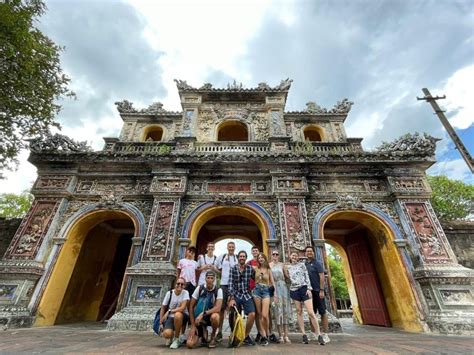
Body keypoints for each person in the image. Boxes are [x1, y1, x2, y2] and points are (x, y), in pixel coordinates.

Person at [284, 251, 324, 345]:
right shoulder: (287, 267)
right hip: (294, 290)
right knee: (299, 311)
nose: (294, 256)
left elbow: (307, 276)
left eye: (295, 255)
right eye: (292, 255)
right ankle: (303, 334)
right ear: (289, 257)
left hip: (304, 288)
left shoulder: (302, 265)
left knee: (310, 312)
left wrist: (309, 288)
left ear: (298, 258)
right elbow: (287, 278)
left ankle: (319, 335)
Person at [228, 250, 256, 346]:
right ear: (238, 258)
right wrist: (231, 298)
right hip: (236, 294)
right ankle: (234, 334)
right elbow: (230, 283)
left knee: (252, 314)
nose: (242, 258)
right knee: (232, 312)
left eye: (244, 256)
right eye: (240, 256)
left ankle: (245, 335)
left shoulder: (250, 268)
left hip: (247, 295)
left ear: (246, 258)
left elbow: (257, 278)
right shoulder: (233, 268)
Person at [188, 271, 223, 349]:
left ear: (214, 279)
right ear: (205, 279)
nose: (210, 280)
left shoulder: (218, 290)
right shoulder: (199, 288)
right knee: (190, 344)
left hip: (209, 317)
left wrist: (203, 313)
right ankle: (203, 332)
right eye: (208, 278)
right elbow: (191, 306)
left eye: (211, 278)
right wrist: (193, 326)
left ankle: (213, 336)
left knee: (215, 317)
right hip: (199, 319)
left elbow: (218, 308)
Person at [305, 245, 331, 343]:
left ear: (313, 252)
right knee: (311, 312)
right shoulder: (305, 264)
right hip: (309, 291)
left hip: (317, 291)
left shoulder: (318, 263)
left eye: (310, 251)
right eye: (307, 251)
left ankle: (325, 334)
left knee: (322, 312)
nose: (309, 253)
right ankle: (313, 333)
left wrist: (321, 290)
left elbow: (322, 276)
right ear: (305, 253)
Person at [251, 252, 276, 346]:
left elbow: (272, 283)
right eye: (259, 258)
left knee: (265, 315)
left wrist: (275, 295)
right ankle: (264, 336)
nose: (261, 259)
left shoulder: (268, 270)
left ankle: (267, 333)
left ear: (265, 259)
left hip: (266, 291)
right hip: (256, 291)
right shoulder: (255, 268)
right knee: (259, 314)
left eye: (262, 257)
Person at [215, 241, 237, 342]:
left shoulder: (236, 258)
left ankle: (233, 332)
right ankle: (219, 332)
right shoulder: (222, 256)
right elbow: (216, 266)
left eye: (233, 247)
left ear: (235, 248)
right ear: (227, 247)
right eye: (230, 247)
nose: (231, 248)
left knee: (233, 309)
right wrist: (221, 273)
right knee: (221, 309)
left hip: (234, 285)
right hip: (223, 284)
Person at [160, 277, 190, 349]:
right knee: (167, 334)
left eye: (182, 284)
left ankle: (176, 339)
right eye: (178, 283)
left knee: (178, 315)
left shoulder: (185, 293)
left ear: (184, 286)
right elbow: (163, 307)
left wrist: (170, 311)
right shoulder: (169, 293)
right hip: (170, 317)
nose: (180, 285)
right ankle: (171, 336)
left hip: (182, 316)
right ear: (175, 284)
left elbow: (182, 308)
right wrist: (161, 322)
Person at [269, 249, 292, 343]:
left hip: (283, 288)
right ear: (271, 255)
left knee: (285, 310)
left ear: (279, 255)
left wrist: (288, 271)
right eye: (273, 254)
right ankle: (280, 335)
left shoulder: (282, 265)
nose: (275, 256)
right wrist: (273, 291)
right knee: (277, 311)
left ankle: (286, 335)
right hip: (275, 288)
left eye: (276, 254)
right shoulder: (269, 265)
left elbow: (287, 277)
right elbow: (270, 279)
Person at [247, 245, 262, 342]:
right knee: (255, 312)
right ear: (251, 252)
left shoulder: (262, 262)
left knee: (263, 313)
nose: (255, 252)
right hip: (252, 289)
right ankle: (259, 332)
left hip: (262, 289)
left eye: (256, 250)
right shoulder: (249, 263)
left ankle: (264, 332)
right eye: (253, 251)